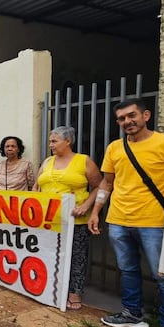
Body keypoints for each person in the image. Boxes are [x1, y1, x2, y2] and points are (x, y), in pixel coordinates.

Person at [88, 98, 164, 327]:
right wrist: (96, 211)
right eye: (121, 119)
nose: (127, 122)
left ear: (146, 115)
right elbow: (107, 183)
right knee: (127, 270)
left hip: (154, 222)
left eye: (132, 116)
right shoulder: (115, 148)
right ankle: (132, 314)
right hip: (118, 219)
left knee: (162, 276)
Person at [35, 126, 101, 311]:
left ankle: (74, 293)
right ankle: (50, 288)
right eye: (50, 141)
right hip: (48, 221)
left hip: (75, 221)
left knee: (76, 256)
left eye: (54, 141)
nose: (51, 145)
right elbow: (36, 187)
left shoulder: (83, 161)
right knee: (48, 254)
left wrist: (86, 206)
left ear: (68, 141)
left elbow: (98, 186)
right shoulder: (47, 161)